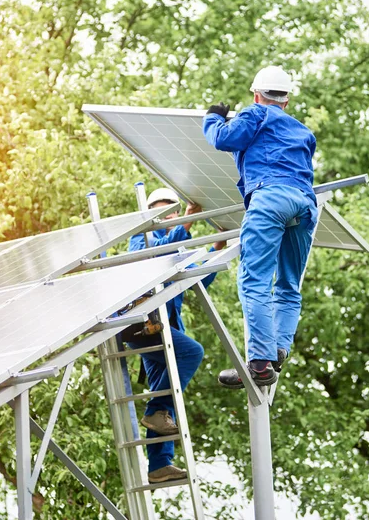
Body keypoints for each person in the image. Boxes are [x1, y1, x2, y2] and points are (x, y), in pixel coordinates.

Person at [202, 66, 318, 389]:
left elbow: (224, 138)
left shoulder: (256, 114)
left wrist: (212, 117)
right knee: (289, 285)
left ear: (256, 95)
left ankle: (260, 362)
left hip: (270, 199)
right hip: (305, 205)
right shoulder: (302, 131)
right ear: (287, 101)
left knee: (254, 280)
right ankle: (278, 348)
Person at [124, 187, 226, 484]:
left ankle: (159, 464)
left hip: (163, 328)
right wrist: (186, 224)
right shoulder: (141, 239)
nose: (171, 216)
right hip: (141, 324)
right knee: (192, 352)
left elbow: (199, 279)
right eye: (165, 212)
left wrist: (218, 247)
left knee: (162, 388)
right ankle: (156, 412)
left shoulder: (176, 247)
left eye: (173, 211)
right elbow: (155, 255)